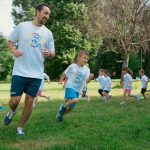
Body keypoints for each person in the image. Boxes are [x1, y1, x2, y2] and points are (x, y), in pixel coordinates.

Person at [4, 3, 55, 136]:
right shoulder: (22, 26)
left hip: (37, 73)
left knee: (30, 101)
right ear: (37, 12)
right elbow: (9, 41)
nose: (47, 16)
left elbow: (53, 52)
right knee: (14, 101)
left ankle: (20, 128)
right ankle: (12, 111)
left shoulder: (48, 33)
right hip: (20, 71)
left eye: (48, 14)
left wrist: (49, 54)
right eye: (45, 13)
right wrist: (13, 51)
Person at [56, 50, 94, 122]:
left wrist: (90, 78)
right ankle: (62, 108)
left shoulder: (87, 69)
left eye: (87, 58)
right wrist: (61, 81)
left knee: (70, 109)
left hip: (77, 89)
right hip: (70, 86)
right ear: (78, 58)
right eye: (84, 58)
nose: (86, 60)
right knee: (74, 99)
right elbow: (64, 73)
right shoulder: (72, 66)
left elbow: (86, 82)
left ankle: (60, 115)